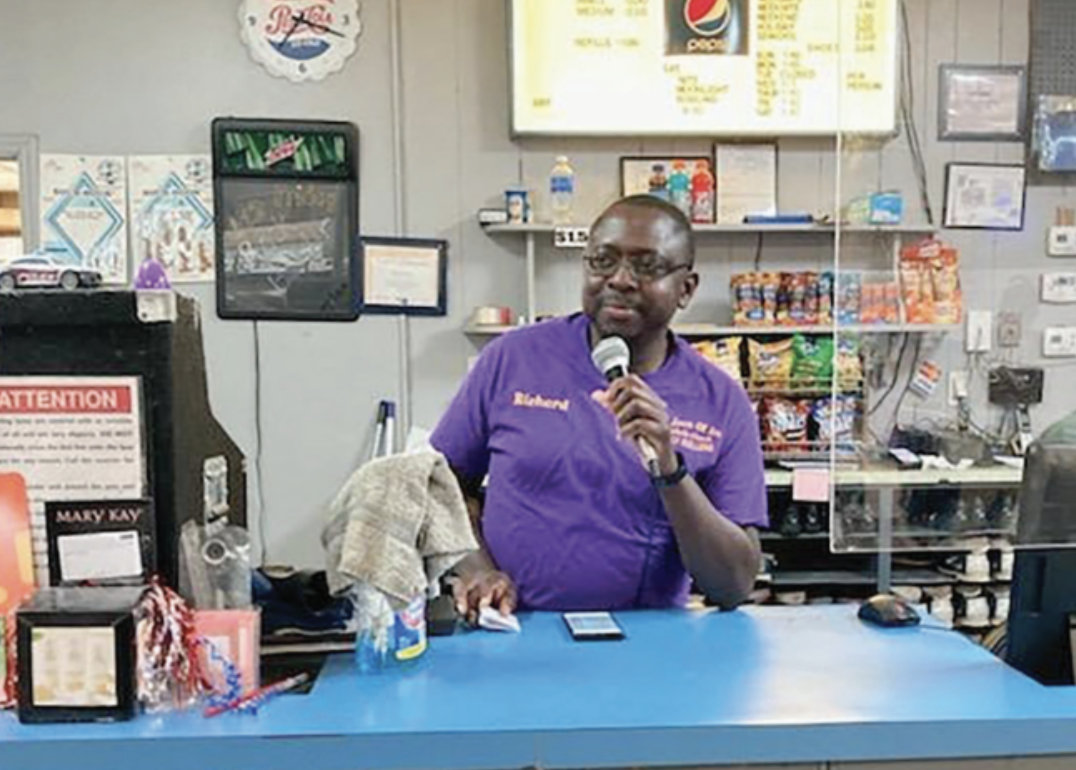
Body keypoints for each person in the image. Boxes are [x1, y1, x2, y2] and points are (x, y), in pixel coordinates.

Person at [431, 195, 767, 619]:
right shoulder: (513, 359)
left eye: (647, 266)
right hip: (515, 635)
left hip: (647, 650)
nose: (620, 279)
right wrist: (478, 571)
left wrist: (669, 467)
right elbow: (444, 486)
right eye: (602, 260)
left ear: (687, 289)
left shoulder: (722, 401)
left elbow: (733, 586)